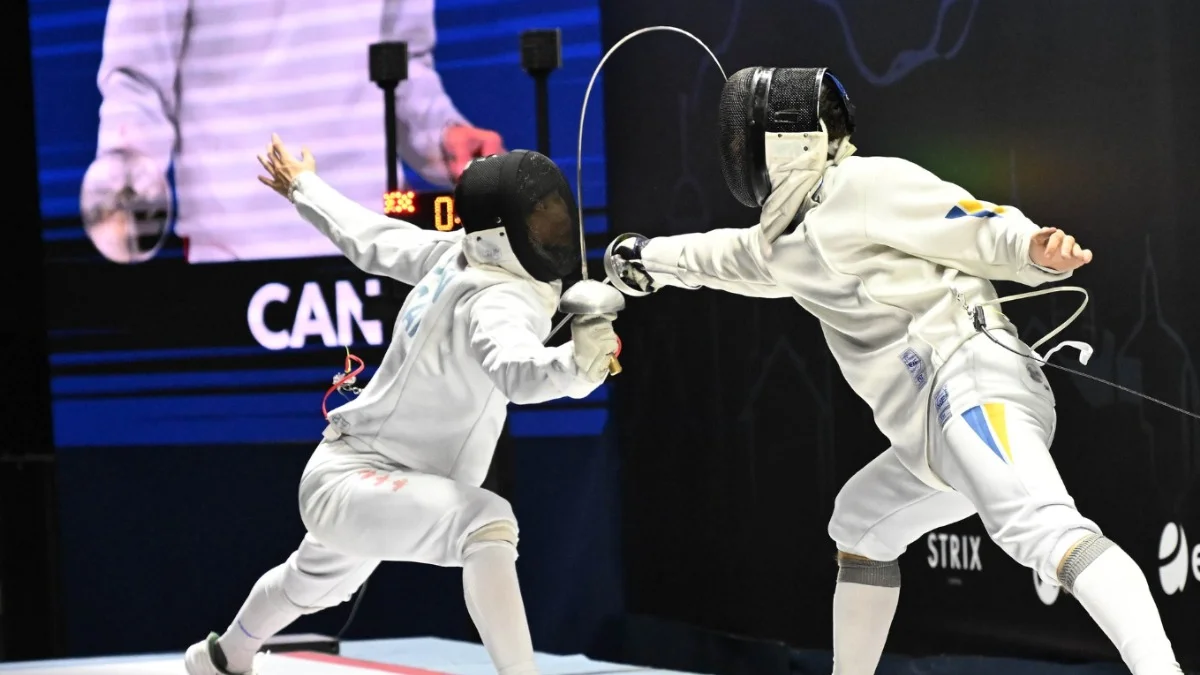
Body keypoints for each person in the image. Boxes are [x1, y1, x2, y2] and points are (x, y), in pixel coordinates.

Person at [605, 66, 1183, 674]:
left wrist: (1029, 247)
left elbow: (965, 219)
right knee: (860, 525)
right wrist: (645, 260)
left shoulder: (865, 185)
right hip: (927, 434)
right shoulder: (786, 241)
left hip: (973, 384)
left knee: (1045, 531)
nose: (733, 151)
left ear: (784, 143)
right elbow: (721, 257)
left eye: (738, 137)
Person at [183, 135, 619, 675]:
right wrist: (579, 365)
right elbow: (517, 372)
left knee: (314, 581)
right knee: (487, 523)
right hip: (356, 478)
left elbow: (369, 236)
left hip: (362, 481)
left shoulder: (456, 255)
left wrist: (303, 185)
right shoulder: (499, 296)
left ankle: (222, 657)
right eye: (540, 210)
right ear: (503, 229)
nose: (557, 218)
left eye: (556, 204)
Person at [80, 0, 504, 264]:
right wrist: (127, 176)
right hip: (233, 253)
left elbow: (400, 63)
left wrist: (442, 136)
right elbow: (138, 80)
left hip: (379, 247)